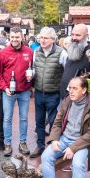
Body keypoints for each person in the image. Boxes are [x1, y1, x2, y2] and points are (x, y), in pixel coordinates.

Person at [0, 27, 33, 157]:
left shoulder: (29, 51)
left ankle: (22, 142)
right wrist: (5, 88)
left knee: (23, 118)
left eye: (17, 37)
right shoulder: (3, 53)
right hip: (8, 92)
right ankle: (8, 143)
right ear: (9, 38)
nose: (15, 39)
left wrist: (31, 78)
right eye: (12, 37)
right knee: (7, 119)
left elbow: (32, 70)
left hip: (24, 91)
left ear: (22, 37)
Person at [30, 27, 64, 158]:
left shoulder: (61, 53)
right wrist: (31, 75)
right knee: (39, 121)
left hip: (53, 93)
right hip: (39, 92)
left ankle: (53, 147)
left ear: (53, 39)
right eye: (41, 37)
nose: (42, 40)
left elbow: (67, 72)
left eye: (46, 38)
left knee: (54, 122)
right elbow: (33, 68)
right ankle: (40, 145)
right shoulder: (36, 51)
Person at [60, 24, 90, 100]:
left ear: (86, 36)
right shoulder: (72, 48)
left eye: (78, 35)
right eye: (72, 34)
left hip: (79, 99)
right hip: (64, 97)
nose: (74, 38)